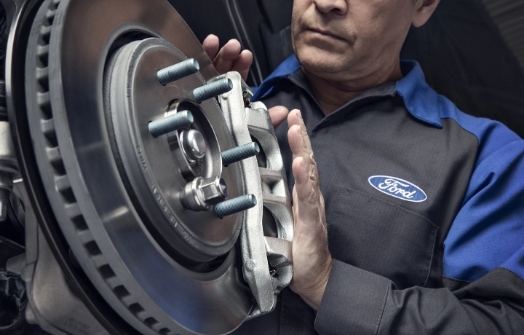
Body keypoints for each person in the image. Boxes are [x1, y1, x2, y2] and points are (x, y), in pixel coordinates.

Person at [203, 0, 524, 333]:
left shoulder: (488, 160)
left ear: (423, 6)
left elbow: (505, 323)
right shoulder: (229, 110)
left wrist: (326, 284)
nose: (328, 3)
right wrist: (193, 149)